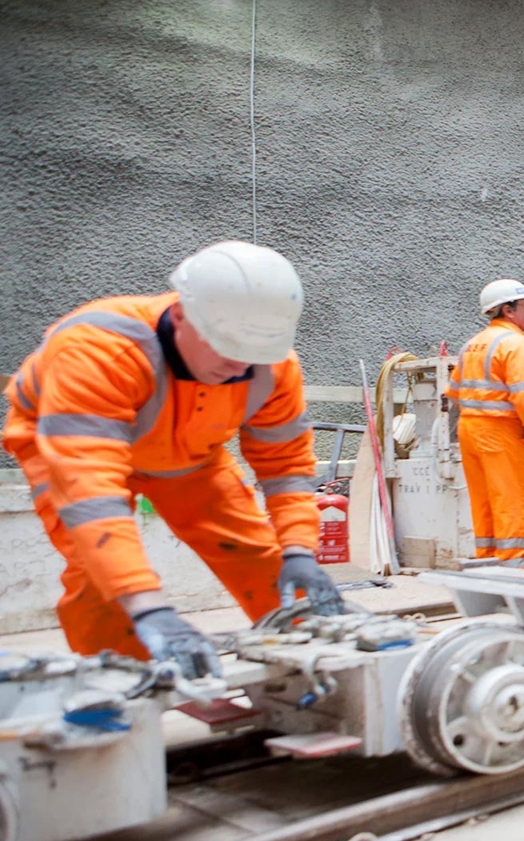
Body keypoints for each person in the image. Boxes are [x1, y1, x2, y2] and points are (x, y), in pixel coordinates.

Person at [2, 242, 343, 678]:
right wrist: (146, 605)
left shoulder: (272, 365)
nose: (238, 364)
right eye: (225, 346)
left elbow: (287, 467)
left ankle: (310, 672)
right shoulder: (98, 350)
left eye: (253, 353)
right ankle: (127, 685)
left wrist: (300, 552)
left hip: (188, 454)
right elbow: (92, 490)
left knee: (264, 561)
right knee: (99, 575)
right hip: (67, 446)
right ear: (181, 315)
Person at [446, 279, 524, 563]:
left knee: (485, 503)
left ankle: (487, 562)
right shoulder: (517, 346)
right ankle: (513, 568)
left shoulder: (473, 344)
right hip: (503, 434)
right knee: (513, 502)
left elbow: (455, 393)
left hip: (471, 432)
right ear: (508, 310)